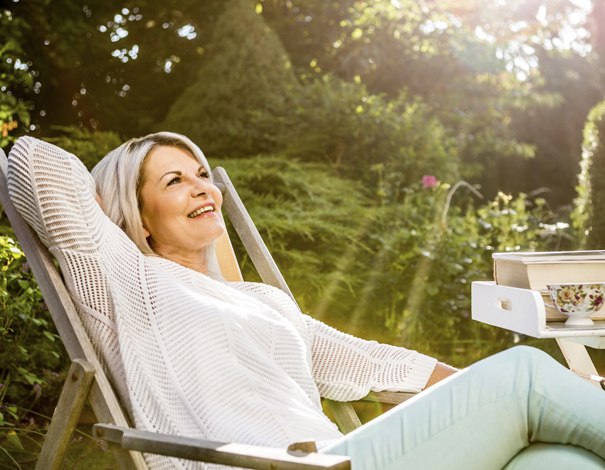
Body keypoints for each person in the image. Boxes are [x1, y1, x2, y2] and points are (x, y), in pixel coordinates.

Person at [6, 133, 605, 470]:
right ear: (134, 219)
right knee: (526, 373)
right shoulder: (127, 283)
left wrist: (491, 390)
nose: (202, 187)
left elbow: (367, 361)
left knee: (559, 463)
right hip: (284, 469)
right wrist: (116, 213)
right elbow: (33, 165)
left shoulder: (260, 300)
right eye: (173, 181)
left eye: (201, 174)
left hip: (334, 459)